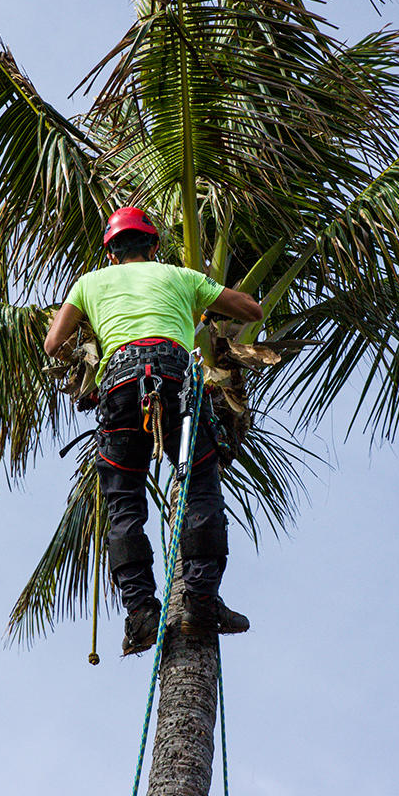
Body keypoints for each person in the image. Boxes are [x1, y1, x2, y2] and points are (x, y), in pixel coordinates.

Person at [44, 206, 264, 655]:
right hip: (176, 379)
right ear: (154, 246)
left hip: (121, 384)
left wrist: (90, 338)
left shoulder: (89, 283)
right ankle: (201, 599)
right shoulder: (181, 276)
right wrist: (204, 312)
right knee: (200, 484)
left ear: (111, 253)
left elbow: (53, 344)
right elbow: (251, 309)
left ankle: (142, 614)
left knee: (124, 502)